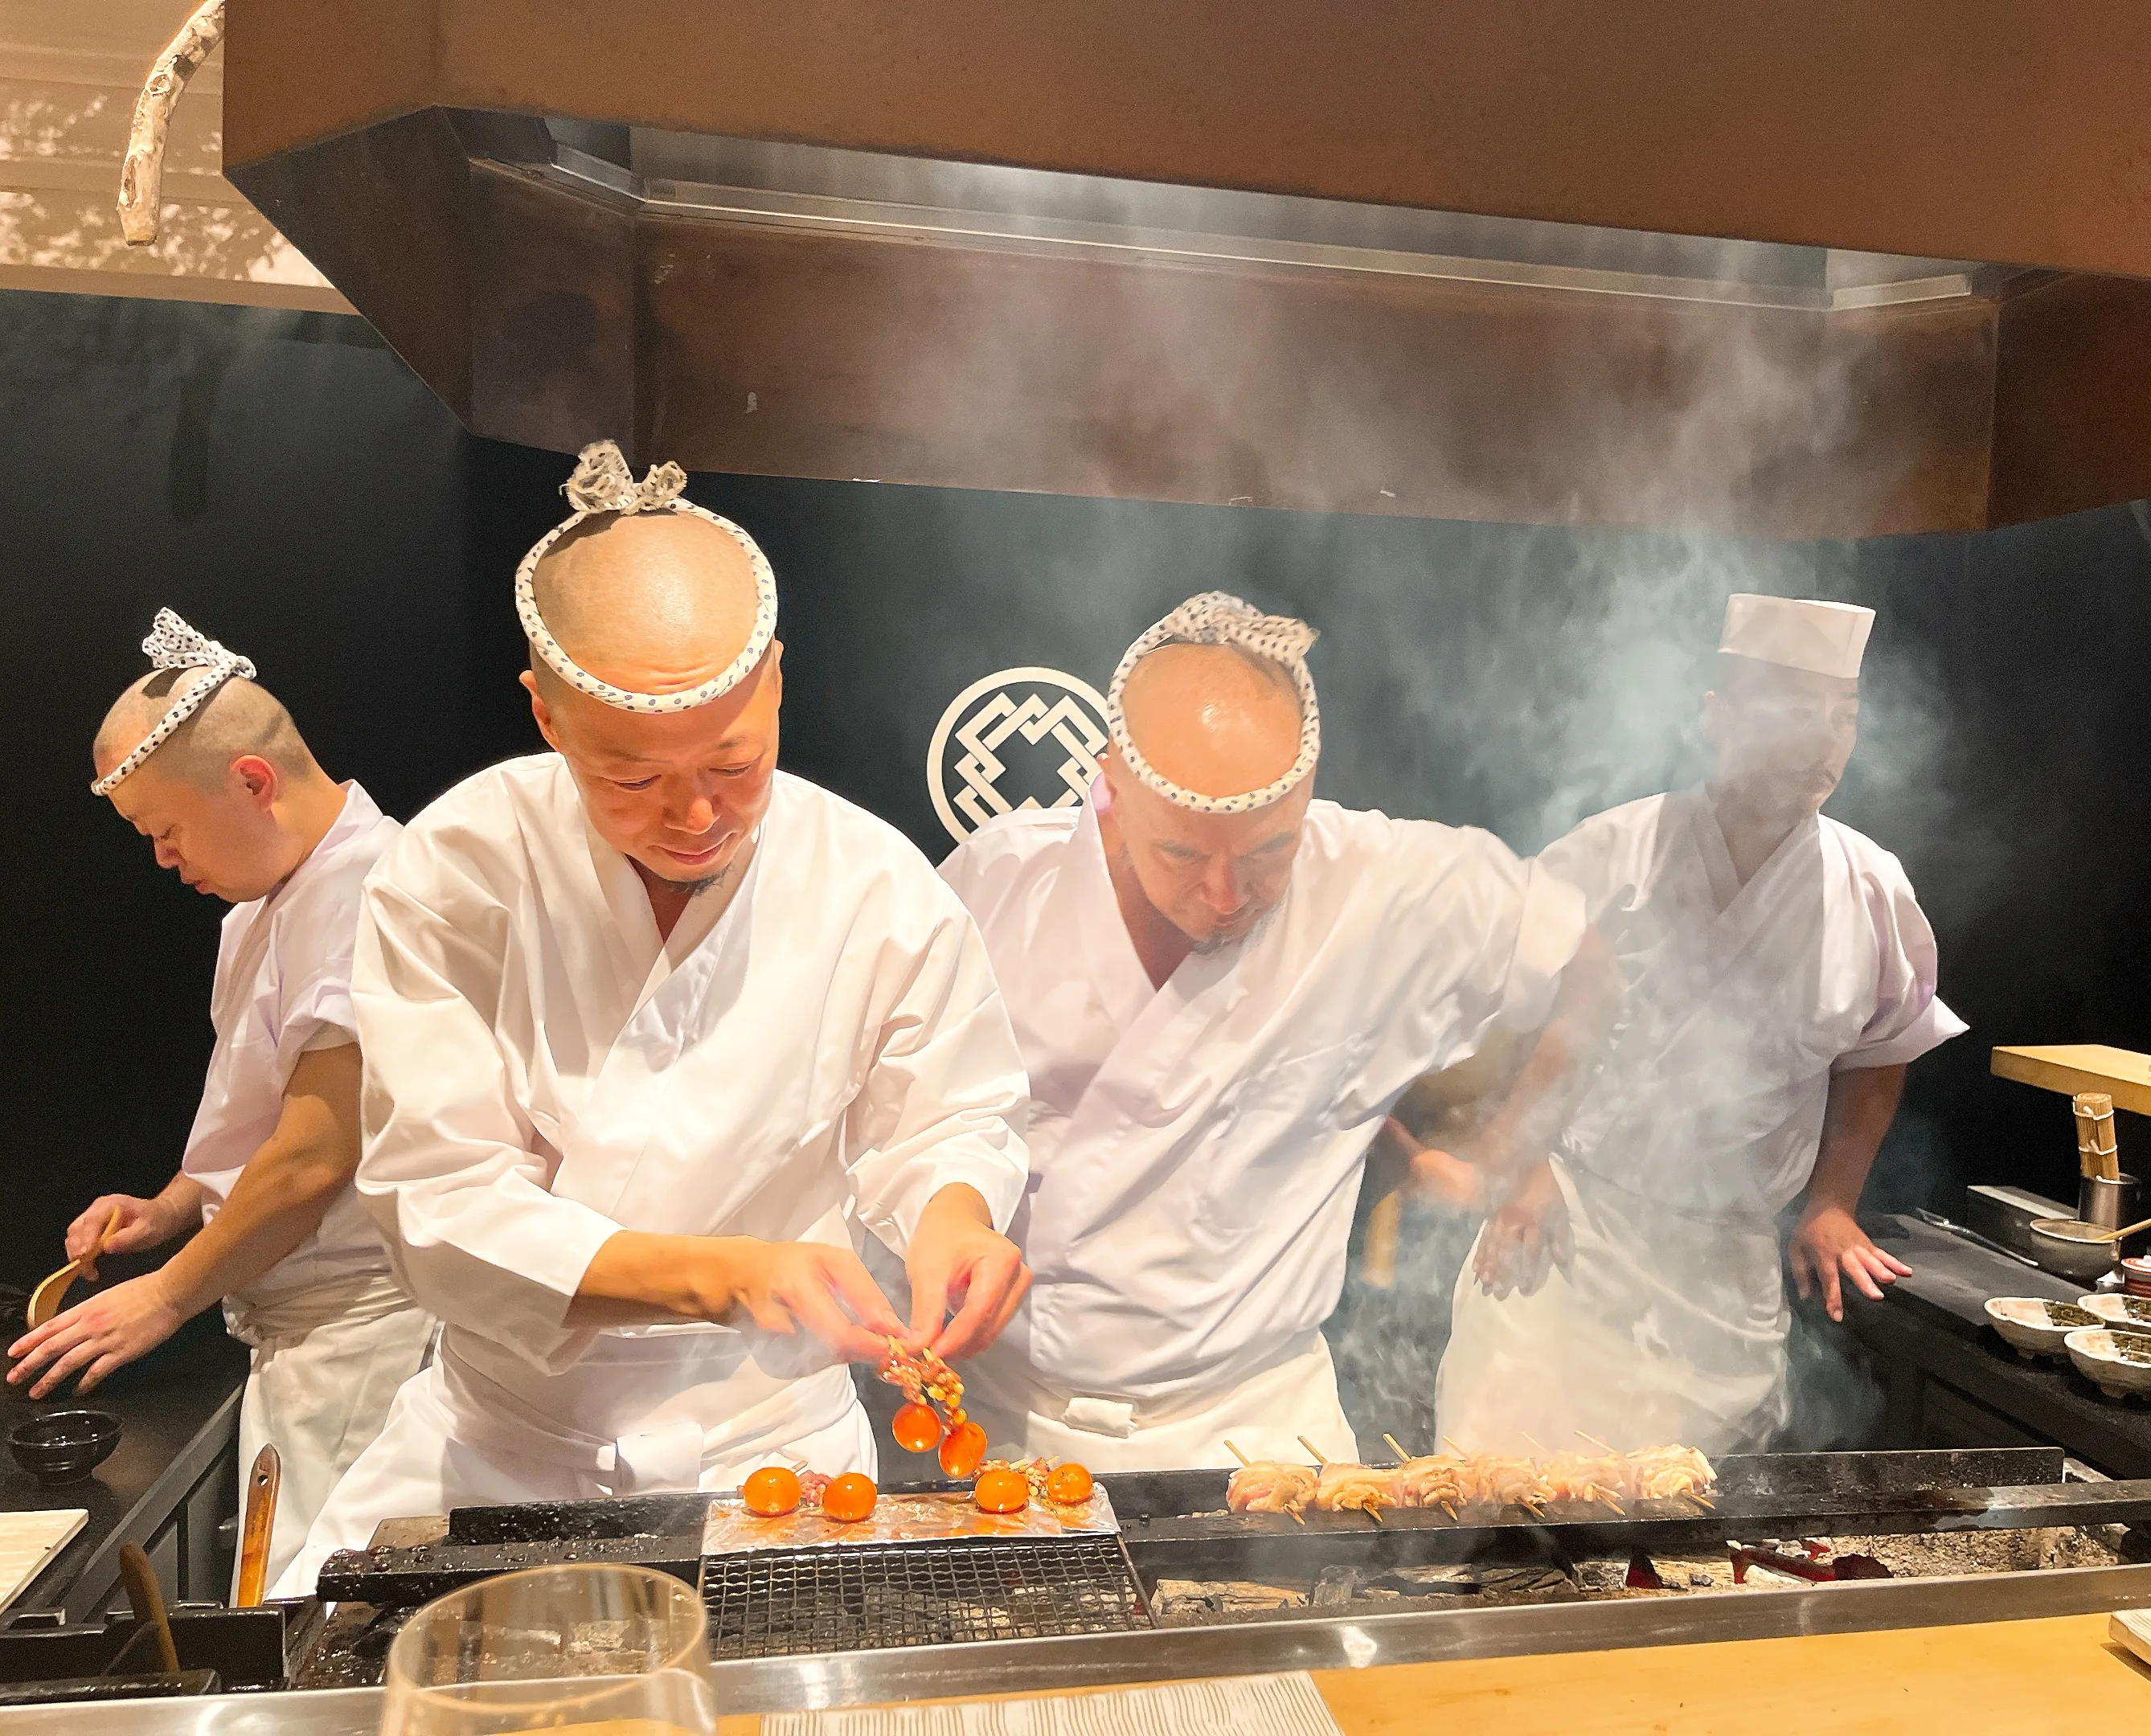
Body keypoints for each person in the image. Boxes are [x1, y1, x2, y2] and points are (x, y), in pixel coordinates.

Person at [279, 445, 1031, 1595]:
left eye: (735, 762)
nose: (693, 815)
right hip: (501, 1448)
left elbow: (946, 1116)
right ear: (545, 712)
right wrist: (717, 1274)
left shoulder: (876, 885)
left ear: (776, 681)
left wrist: (956, 1219)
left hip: (775, 1456)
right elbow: (436, 1203)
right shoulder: (459, 870)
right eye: (629, 779)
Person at [940, 592, 1617, 1469]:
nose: (1226, 897)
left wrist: (1513, 1150)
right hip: (1002, 1422)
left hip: (1257, 1432)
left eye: (1269, 851)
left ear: (1308, 795)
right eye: (1182, 853)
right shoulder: (996, 888)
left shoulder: (1382, 888)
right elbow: (906, 1115)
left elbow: (1587, 967)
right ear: (1109, 785)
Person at [1433, 593, 1965, 1455]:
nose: (1826, 737)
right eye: (1798, 709)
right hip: (1571, 1235)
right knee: (1500, 1506)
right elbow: (1493, 1012)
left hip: (1725, 1268)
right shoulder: (1615, 850)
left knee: (1684, 1540)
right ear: (1720, 719)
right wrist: (1517, 1160)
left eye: (1845, 714)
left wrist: (1832, 1201)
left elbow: (1882, 1050)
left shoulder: (1871, 886)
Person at [9, 611, 432, 1591]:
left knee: (325, 1611)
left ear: (251, 781)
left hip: (374, 1328)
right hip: (296, 1334)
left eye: (166, 829)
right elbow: (253, 1126)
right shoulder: (258, 910)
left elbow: (317, 1153)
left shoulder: (379, 883)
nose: (161, 858)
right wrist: (171, 1206)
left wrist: (162, 1298)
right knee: (282, 1602)